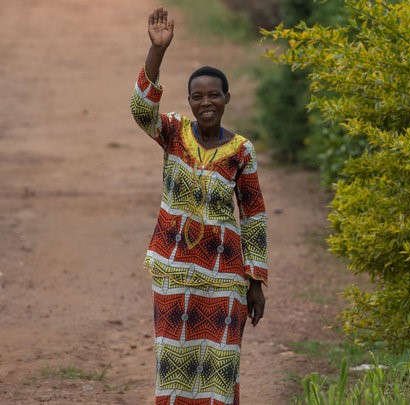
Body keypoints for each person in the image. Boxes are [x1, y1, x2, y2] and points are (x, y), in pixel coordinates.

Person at [130, 8, 267, 404]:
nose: (206, 102)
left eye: (214, 95)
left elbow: (254, 216)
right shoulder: (173, 132)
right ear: (189, 101)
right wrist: (157, 51)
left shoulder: (242, 151)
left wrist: (255, 282)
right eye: (197, 96)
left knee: (221, 368)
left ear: (226, 99)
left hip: (224, 278)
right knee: (173, 365)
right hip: (173, 272)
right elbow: (141, 112)